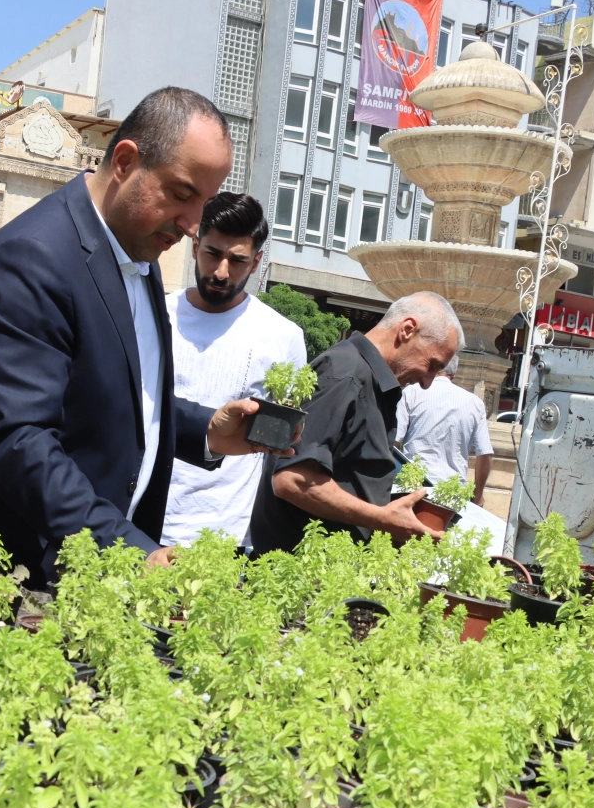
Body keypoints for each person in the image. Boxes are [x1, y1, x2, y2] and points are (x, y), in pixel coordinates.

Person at [0, 87, 277, 587]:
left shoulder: (139, 255)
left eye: (202, 204)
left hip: (94, 579)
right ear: (124, 161)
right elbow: (17, 440)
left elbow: (111, 395)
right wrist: (129, 550)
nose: (190, 226)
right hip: (21, 581)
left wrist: (206, 430)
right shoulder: (33, 259)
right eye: (182, 194)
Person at [247, 291, 463, 557]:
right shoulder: (346, 373)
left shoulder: (369, 379)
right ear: (407, 330)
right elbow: (292, 480)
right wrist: (383, 518)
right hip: (297, 581)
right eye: (432, 365)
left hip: (326, 576)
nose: (428, 381)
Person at [162, 193, 306, 548]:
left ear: (256, 263)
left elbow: (287, 434)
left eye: (237, 260)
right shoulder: (156, 314)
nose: (221, 272)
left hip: (228, 537)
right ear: (195, 245)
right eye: (213, 253)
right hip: (147, 521)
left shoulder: (283, 336)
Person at [395, 358, 494, 506]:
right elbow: (485, 455)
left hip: (412, 486)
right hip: (452, 491)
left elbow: (393, 443)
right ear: (453, 374)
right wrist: (477, 495)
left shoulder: (411, 393)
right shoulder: (475, 403)